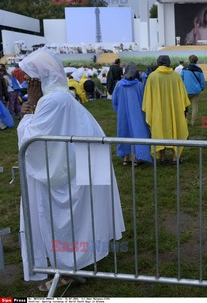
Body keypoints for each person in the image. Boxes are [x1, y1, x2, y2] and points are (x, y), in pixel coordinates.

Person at [17, 48, 125, 289]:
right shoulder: (58, 97)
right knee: (80, 214)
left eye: (30, 78)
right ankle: (74, 260)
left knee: (64, 216)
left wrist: (31, 109)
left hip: (69, 169)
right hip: (79, 162)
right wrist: (31, 111)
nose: (27, 83)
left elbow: (32, 142)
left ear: (41, 77)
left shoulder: (52, 100)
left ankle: (66, 266)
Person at [142, 55, 190, 164]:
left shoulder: (152, 76)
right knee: (175, 130)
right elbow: (183, 94)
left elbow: (147, 96)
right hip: (174, 110)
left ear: (158, 63)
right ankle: (174, 156)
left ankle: (162, 157)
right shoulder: (176, 76)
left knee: (160, 130)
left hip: (158, 110)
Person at [112, 63, 152, 165]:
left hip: (123, 113)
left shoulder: (119, 85)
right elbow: (144, 100)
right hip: (138, 114)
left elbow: (115, 100)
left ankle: (126, 158)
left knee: (124, 133)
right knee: (138, 133)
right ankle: (137, 157)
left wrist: (119, 110)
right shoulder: (140, 85)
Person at [181, 55, 205, 126]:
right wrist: (201, 88)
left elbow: (181, 79)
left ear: (189, 60)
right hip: (196, 91)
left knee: (184, 106)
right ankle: (193, 122)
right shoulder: (199, 70)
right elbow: (202, 81)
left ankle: (185, 121)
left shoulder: (184, 69)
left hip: (186, 90)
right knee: (195, 107)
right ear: (196, 61)